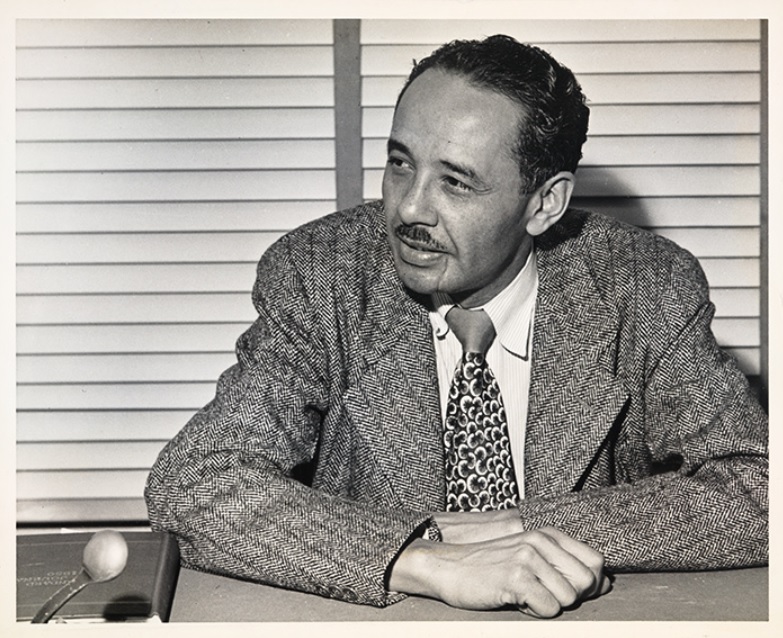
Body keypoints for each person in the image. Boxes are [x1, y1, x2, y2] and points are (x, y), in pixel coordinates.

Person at [145, 35, 768, 618]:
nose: (410, 207)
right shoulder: (323, 275)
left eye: (456, 181)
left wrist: (521, 528)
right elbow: (194, 483)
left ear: (544, 203)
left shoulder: (644, 286)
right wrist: (424, 557)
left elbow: (760, 488)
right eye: (400, 163)